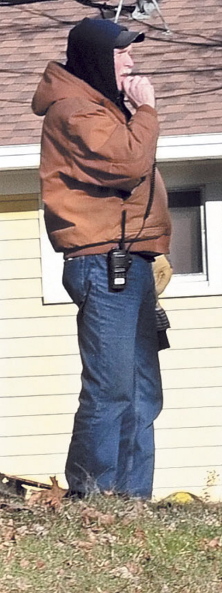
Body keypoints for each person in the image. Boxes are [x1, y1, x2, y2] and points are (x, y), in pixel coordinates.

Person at [32, 17, 172, 499]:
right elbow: (127, 163)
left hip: (131, 261)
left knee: (141, 393)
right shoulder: (74, 111)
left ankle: (132, 500)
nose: (131, 62)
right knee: (111, 389)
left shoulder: (103, 109)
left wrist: (154, 249)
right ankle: (90, 497)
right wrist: (147, 110)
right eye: (121, 54)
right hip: (101, 262)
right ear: (95, 59)